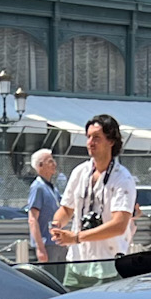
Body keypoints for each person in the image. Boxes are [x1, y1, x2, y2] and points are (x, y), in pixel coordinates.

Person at [51, 115, 139, 269]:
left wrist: (77, 237)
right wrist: (57, 224)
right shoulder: (79, 172)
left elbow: (119, 225)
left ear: (111, 141)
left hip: (109, 262)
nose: (90, 142)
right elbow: (66, 209)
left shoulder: (122, 178)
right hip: (77, 261)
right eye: (88, 137)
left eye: (96, 137)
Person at [24, 148, 60, 263]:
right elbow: (33, 219)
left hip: (57, 243)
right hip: (47, 245)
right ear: (40, 166)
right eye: (50, 161)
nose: (54, 164)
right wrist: (40, 248)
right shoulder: (38, 187)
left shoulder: (53, 188)